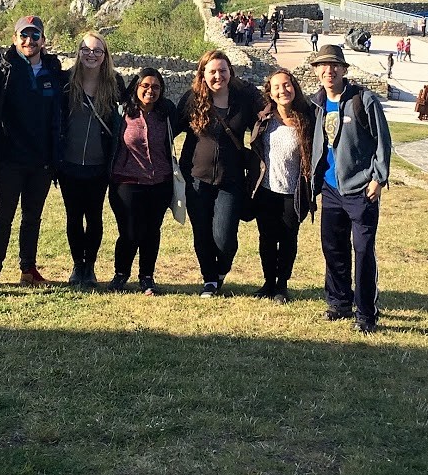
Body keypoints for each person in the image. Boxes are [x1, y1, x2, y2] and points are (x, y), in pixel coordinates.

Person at [0, 15, 65, 288]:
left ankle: (28, 270)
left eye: (34, 36)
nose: (28, 41)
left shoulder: (53, 70)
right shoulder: (2, 65)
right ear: (14, 39)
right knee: (3, 215)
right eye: (24, 35)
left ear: (43, 40)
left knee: (32, 217)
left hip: (42, 160)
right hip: (9, 158)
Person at [308, 45, 391, 333]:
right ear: (317, 71)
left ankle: (366, 314)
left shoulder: (363, 100)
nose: (328, 71)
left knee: (364, 251)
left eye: (334, 66)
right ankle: (339, 302)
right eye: (322, 66)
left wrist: (378, 178)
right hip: (331, 188)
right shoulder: (317, 103)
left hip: (361, 189)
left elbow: (383, 141)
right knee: (333, 249)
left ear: (344, 69)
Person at [177, 50, 264, 298]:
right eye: (212, 71)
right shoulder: (192, 101)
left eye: (222, 70)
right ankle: (210, 280)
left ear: (230, 72)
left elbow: (264, 118)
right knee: (202, 233)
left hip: (231, 180)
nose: (218, 76)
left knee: (224, 237)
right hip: (196, 178)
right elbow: (169, 128)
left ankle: (221, 270)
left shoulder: (242, 101)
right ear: (203, 74)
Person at [59, 32, 124, 289]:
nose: (91, 54)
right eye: (86, 49)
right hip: (69, 163)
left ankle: (91, 266)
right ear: (79, 52)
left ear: (105, 55)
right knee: (73, 216)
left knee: (94, 216)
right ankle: (78, 265)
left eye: (97, 50)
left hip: (99, 164)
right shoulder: (67, 82)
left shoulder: (115, 84)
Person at [106, 68, 178, 295]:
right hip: (126, 181)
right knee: (129, 231)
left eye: (156, 87)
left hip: (159, 182)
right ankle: (121, 274)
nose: (150, 91)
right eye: (145, 86)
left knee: (151, 230)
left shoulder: (166, 114)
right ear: (136, 87)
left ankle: (147, 276)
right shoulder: (121, 113)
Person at [250, 68, 315, 303]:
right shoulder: (264, 119)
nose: (282, 90)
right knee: (266, 238)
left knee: (288, 238)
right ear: (270, 93)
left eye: (286, 85)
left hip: (293, 192)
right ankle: (268, 282)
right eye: (276, 87)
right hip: (266, 189)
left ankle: (282, 285)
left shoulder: (306, 120)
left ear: (294, 87)